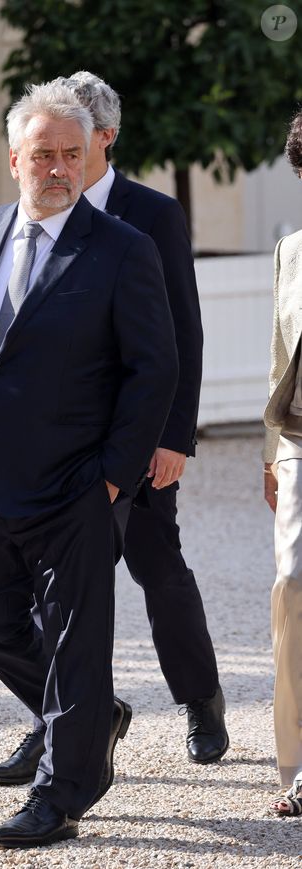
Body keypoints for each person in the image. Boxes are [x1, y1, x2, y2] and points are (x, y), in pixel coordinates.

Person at [0, 81, 178, 848]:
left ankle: (64, 791)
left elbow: (154, 370)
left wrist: (112, 475)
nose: (60, 168)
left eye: (74, 153)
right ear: (15, 159)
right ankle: (88, 717)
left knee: (76, 638)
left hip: (74, 483)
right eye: (44, 155)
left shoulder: (122, 250)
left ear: (91, 154)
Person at [0, 71, 228, 785]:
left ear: (103, 138)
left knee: (158, 567)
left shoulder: (151, 215)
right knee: (47, 594)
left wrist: (173, 436)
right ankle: (54, 723)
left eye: (77, 138)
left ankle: (201, 701)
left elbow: (181, 333)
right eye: (49, 141)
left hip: (137, 437)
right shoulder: (29, 215)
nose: (62, 152)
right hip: (58, 451)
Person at [263, 107, 302, 818]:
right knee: (293, 585)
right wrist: (270, 458)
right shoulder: (290, 251)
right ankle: (298, 767)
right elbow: (279, 358)